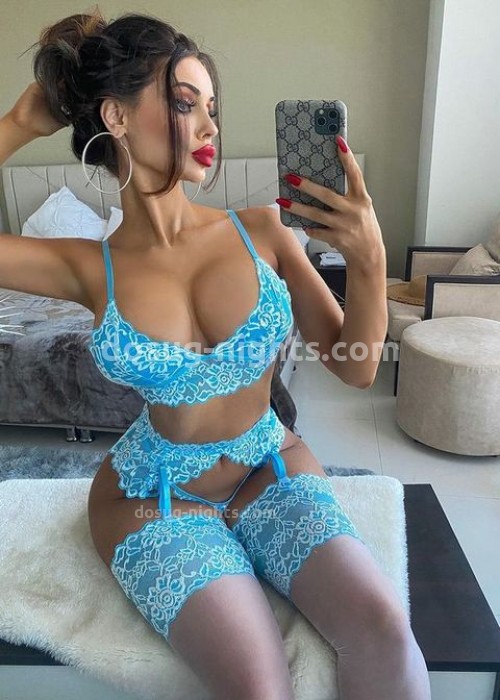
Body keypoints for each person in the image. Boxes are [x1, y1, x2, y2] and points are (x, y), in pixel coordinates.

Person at [0, 9, 431, 700]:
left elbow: (355, 368)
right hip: (154, 496)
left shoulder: (263, 231)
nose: (210, 128)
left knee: (386, 635)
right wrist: (23, 121)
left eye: (212, 108)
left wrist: (370, 256)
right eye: (184, 104)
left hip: (269, 463)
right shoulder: (85, 268)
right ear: (115, 115)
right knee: (260, 686)